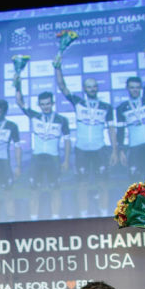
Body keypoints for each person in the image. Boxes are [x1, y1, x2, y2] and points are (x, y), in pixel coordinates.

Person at [53, 63, 116, 206]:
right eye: (89, 87)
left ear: (97, 88)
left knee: (103, 184)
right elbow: (62, 86)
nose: (92, 89)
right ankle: (83, 213)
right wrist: (58, 68)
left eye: (94, 86)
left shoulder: (106, 107)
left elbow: (112, 130)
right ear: (84, 89)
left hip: (100, 149)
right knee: (82, 185)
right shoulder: (78, 103)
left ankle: (104, 212)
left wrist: (114, 150)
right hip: (81, 149)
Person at [14, 87, 70, 190]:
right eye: (42, 104)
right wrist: (18, 85)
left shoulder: (62, 120)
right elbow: (19, 101)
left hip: (53, 158)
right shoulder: (35, 116)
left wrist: (66, 160)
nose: (45, 107)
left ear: (52, 104)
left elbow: (67, 141)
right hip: (37, 158)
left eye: (48, 104)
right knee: (34, 189)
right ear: (39, 105)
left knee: (55, 190)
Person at [118, 76, 145, 180]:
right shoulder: (121, 107)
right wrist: (121, 150)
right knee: (135, 180)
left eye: (137, 87)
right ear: (127, 88)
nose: (135, 90)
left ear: (141, 88)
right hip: (135, 147)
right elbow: (120, 131)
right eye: (132, 87)